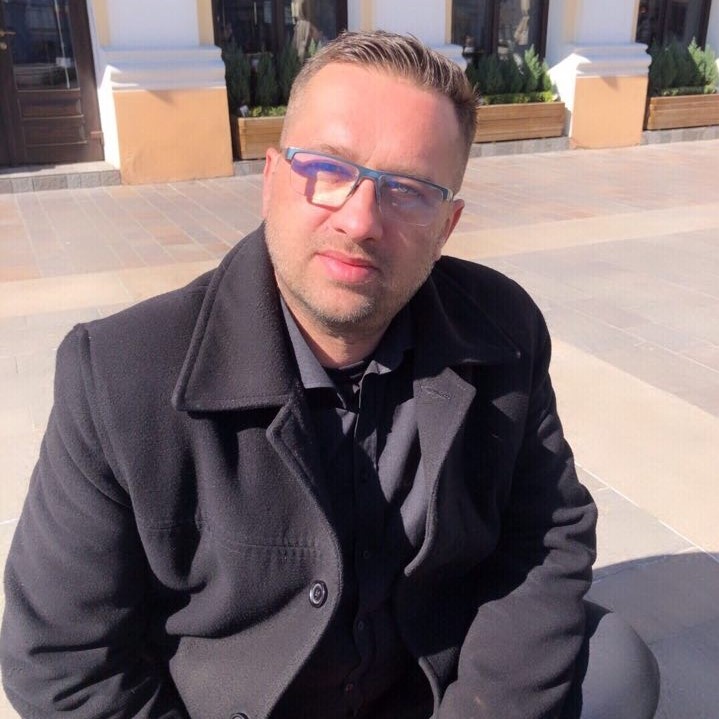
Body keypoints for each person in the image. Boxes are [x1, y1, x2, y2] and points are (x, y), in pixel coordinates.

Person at [1, 31, 659, 719]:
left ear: (447, 225)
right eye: (326, 168)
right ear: (271, 180)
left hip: (429, 694)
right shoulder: (118, 375)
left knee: (617, 668)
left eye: (408, 190)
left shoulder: (501, 329)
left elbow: (545, 535)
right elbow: (63, 662)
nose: (360, 219)